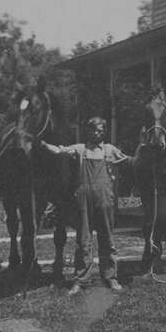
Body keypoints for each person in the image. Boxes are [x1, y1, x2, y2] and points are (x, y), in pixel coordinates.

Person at [42, 116, 132, 295]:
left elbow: (130, 161)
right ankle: (80, 280)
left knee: (107, 240)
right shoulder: (80, 149)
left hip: (105, 200)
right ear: (88, 131)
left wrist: (145, 152)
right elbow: (60, 151)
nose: (96, 133)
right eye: (93, 130)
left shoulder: (110, 150)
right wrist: (43, 145)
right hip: (83, 202)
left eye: (100, 131)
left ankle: (110, 278)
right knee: (84, 241)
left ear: (104, 132)